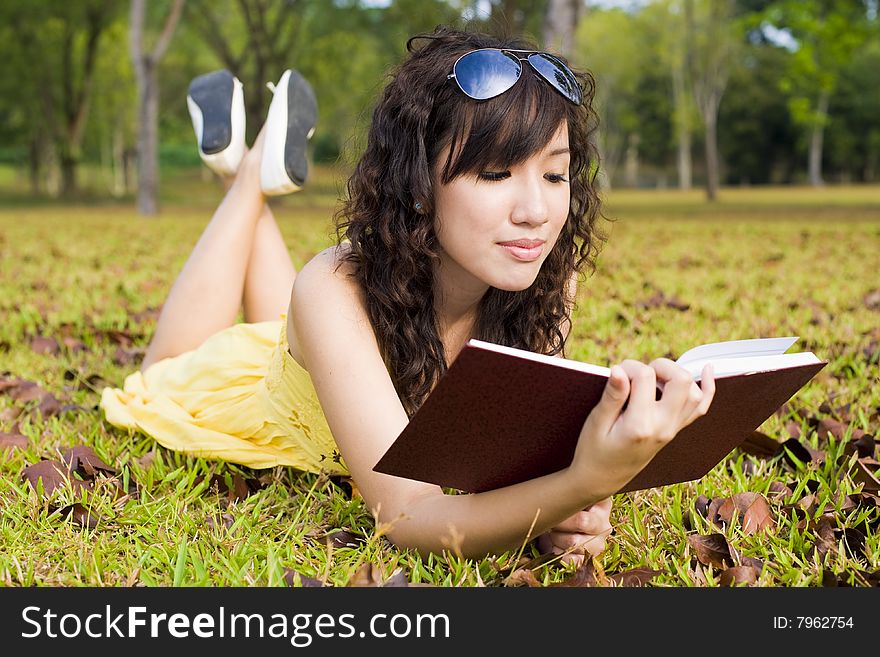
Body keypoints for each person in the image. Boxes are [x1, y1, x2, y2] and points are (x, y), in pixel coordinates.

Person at [101, 25, 715, 563]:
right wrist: (582, 481)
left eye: (554, 174)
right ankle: (247, 176)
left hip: (327, 357)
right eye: (496, 173)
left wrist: (567, 516)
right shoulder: (333, 285)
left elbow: (508, 465)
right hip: (264, 410)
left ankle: (249, 173)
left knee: (290, 319)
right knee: (159, 376)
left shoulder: (547, 281)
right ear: (419, 181)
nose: (536, 211)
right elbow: (406, 519)